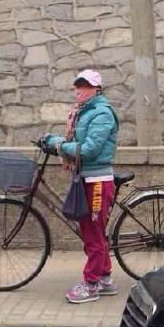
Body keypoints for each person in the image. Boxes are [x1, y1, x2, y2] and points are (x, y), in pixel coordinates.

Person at [44, 69, 119, 304]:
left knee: (93, 234)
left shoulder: (102, 113)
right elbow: (77, 143)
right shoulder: (83, 112)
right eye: (77, 85)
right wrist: (59, 143)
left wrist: (58, 144)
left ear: (97, 88)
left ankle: (91, 284)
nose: (79, 89)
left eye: (85, 85)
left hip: (97, 181)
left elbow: (88, 149)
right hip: (84, 178)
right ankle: (105, 278)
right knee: (90, 231)